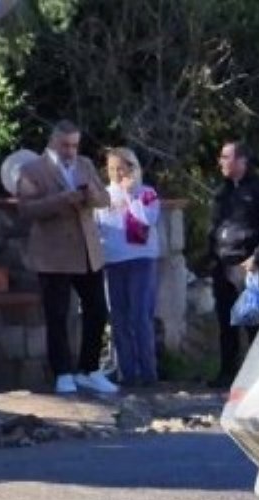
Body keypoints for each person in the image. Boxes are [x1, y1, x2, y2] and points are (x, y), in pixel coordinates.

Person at [14, 120, 117, 395]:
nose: (70, 150)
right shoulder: (32, 169)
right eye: (65, 145)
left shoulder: (85, 164)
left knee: (97, 310)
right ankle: (62, 372)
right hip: (54, 254)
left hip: (87, 251)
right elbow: (26, 210)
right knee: (57, 315)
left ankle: (89, 369)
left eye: (74, 145)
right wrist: (61, 199)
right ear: (52, 142)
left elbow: (105, 199)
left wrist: (92, 194)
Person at [206, 140, 259, 389]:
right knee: (226, 320)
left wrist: (257, 257)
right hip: (223, 264)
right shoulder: (223, 191)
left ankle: (258, 376)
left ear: (242, 161)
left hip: (248, 264)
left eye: (226, 157)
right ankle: (228, 372)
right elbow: (216, 224)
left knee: (252, 321)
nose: (221, 162)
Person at [96, 147, 162, 388]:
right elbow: (98, 226)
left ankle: (148, 372)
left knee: (140, 317)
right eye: (111, 168)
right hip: (114, 262)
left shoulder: (147, 193)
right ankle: (127, 372)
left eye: (121, 168)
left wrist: (131, 195)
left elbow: (148, 220)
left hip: (141, 260)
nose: (115, 173)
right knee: (119, 318)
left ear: (132, 168)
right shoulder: (103, 195)